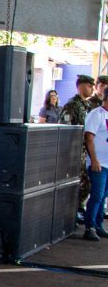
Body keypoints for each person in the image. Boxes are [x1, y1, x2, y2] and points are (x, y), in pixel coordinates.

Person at [61, 74, 98, 217]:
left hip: (85, 150)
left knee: (86, 182)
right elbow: (65, 128)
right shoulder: (72, 105)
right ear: (80, 86)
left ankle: (78, 208)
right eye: (89, 85)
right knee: (80, 181)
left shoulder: (88, 105)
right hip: (73, 150)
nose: (92, 89)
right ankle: (72, 210)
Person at [82, 90, 108, 240]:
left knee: (103, 196)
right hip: (98, 164)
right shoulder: (96, 114)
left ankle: (98, 225)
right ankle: (89, 227)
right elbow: (89, 138)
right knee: (97, 195)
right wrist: (94, 160)